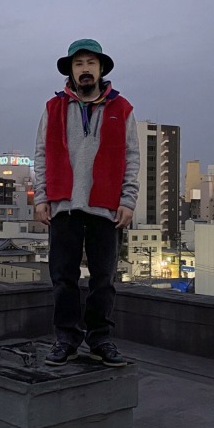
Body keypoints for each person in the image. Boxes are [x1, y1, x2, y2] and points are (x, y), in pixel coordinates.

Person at [34, 38, 140, 367]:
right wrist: (41, 197)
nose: (85, 69)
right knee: (63, 277)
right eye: (78, 64)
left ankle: (100, 339)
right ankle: (66, 338)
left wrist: (128, 200)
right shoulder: (53, 108)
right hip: (63, 204)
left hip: (105, 207)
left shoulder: (121, 109)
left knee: (103, 278)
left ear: (101, 68)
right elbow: (41, 155)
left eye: (91, 63)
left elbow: (132, 158)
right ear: (70, 70)